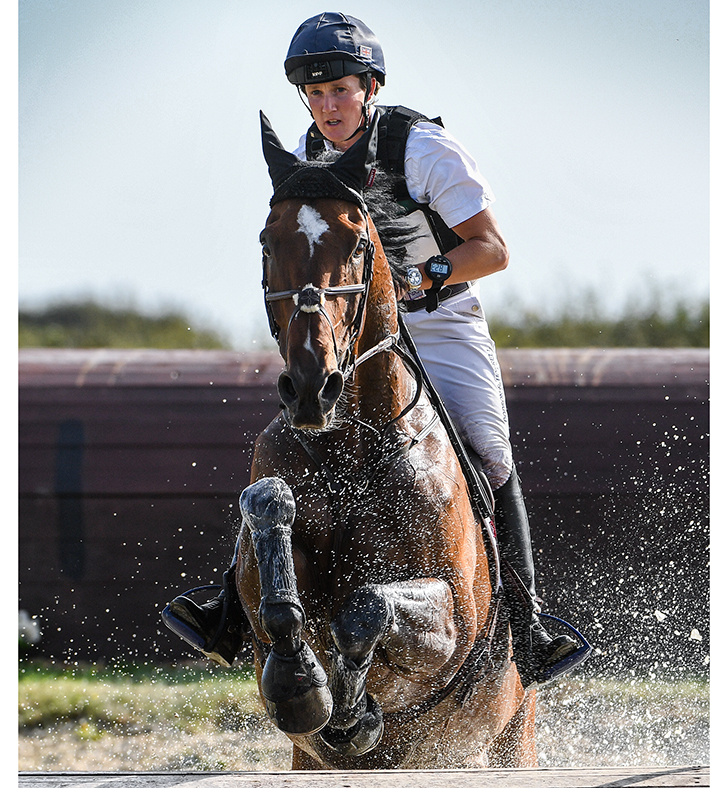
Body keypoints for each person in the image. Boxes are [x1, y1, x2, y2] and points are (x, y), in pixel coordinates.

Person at [163, 12, 590, 688]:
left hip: (439, 321)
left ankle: (528, 623)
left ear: (369, 86)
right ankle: (230, 606)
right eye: (315, 93)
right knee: (292, 443)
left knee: (489, 453)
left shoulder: (421, 147)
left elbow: (494, 249)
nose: (327, 107)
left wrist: (427, 275)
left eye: (339, 90)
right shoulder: (309, 155)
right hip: (359, 333)